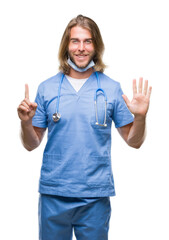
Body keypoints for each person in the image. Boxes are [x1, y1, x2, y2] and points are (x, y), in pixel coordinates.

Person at [17, 15, 152, 240]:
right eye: (75, 41)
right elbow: (31, 144)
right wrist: (25, 122)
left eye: (88, 41)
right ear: (66, 46)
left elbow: (134, 141)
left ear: (96, 46)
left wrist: (140, 118)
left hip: (95, 197)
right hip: (54, 194)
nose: (81, 48)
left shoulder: (111, 88)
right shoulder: (47, 88)